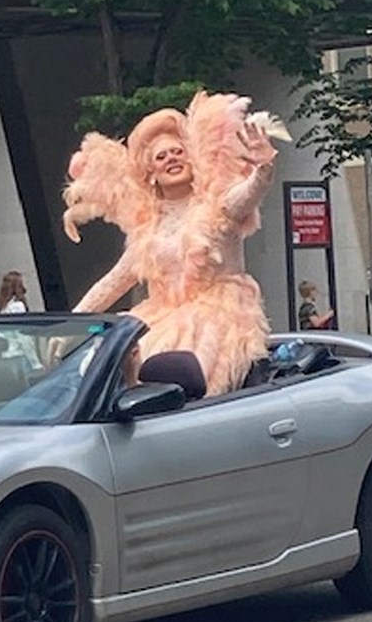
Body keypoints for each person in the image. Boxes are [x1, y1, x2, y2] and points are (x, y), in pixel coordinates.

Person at [59, 90, 291, 396]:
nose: (171, 158)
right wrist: (69, 325)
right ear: (151, 173)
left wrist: (263, 168)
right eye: (161, 156)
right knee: (112, 365)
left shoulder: (217, 204)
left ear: (192, 160)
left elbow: (248, 195)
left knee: (177, 374)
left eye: (178, 152)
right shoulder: (147, 229)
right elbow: (113, 282)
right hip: (158, 316)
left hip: (217, 316)